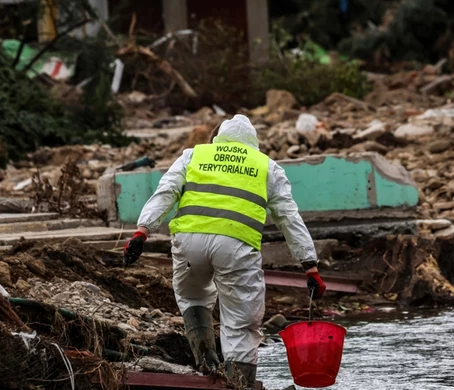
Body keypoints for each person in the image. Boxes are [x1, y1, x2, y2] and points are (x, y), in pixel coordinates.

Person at [122, 115, 326, 388]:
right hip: (236, 247)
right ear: (253, 143)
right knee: (241, 322)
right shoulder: (267, 166)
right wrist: (309, 265)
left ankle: (208, 368)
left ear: (219, 137)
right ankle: (237, 384)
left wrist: (142, 231)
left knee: (192, 295)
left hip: (189, 242)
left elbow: (166, 191)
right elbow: (289, 218)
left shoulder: (194, 155)